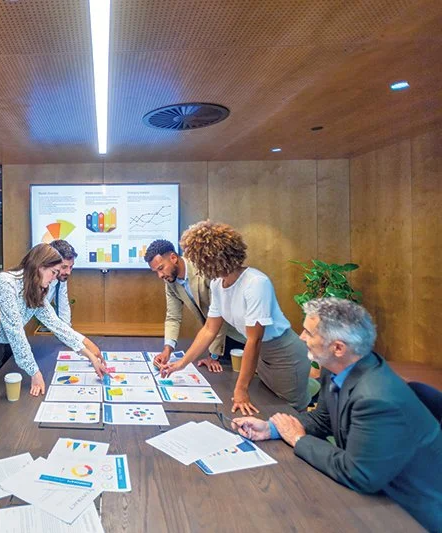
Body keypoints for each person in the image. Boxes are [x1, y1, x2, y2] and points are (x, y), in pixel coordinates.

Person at [232, 298, 442, 532]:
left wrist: (298, 439)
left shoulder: (377, 398)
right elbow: (322, 420)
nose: (301, 338)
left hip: (411, 513)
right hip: (373, 495)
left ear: (338, 348)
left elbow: (359, 474)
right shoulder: (336, 369)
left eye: (309, 333)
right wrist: (271, 428)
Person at [161, 220, 310, 413]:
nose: (194, 265)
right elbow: (209, 329)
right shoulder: (217, 284)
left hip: (285, 356)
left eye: (196, 260)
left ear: (211, 259)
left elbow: (254, 340)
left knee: (288, 413)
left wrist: (241, 389)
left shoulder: (256, 282)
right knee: (266, 409)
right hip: (262, 357)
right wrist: (181, 363)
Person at [0, 243, 106, 397]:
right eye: (53, 272)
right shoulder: (5, 283)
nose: (54, 278)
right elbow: (15, 331)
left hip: (7, 346)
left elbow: (56, 324)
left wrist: (90, 355)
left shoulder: (36, 289)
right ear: (40, 267)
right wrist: (35, 373)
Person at [145, 239, 246, 372]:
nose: (160, 275)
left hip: (239, 335)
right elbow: (173, 317)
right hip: (216, 337)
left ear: (173, 258)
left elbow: (220, 315)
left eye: (161, 268)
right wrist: (167, 350)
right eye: (156, 272)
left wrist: (213, 356)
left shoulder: (204, 270)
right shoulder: (170, 281)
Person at [46, 239, 76, 326]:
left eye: (71, 267)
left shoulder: (60, 278)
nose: (68, 272)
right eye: (64, 267)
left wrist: (68, 331)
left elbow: (63, 308)